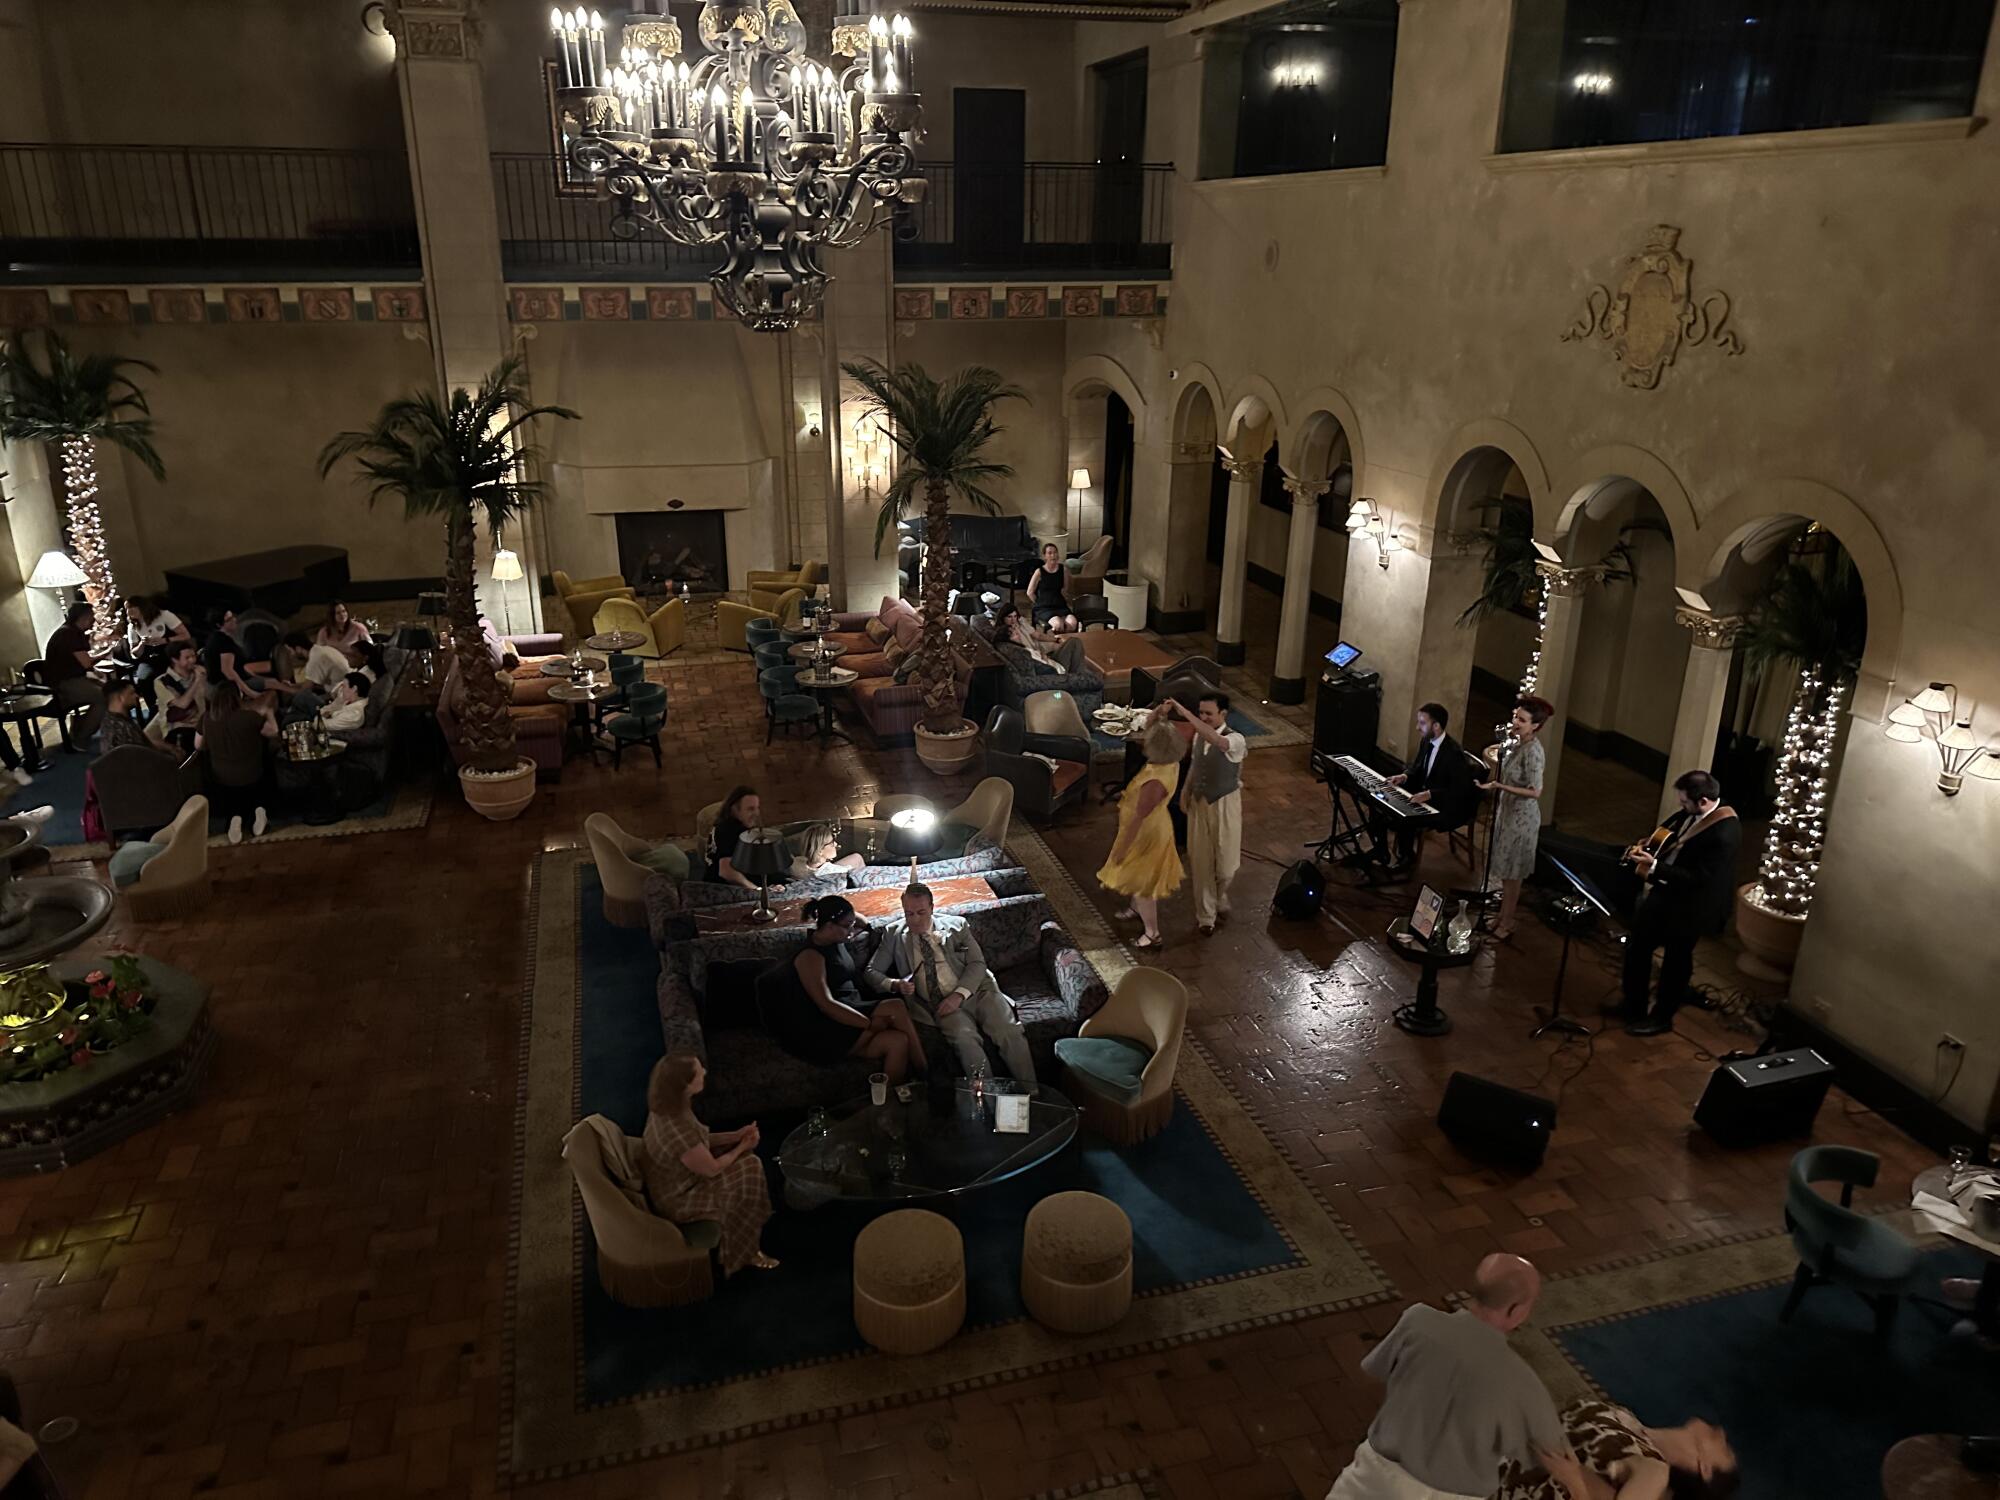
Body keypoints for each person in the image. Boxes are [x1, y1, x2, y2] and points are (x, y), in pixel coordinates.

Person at [1328, 1254, 1572, 1500]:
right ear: (1516, 1310)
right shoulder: (1522, 1381)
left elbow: (1378, 1368)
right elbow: (1557, 1458)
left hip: (1373, 1476)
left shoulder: (1417, 1320)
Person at [865, 882, 1036, 1083]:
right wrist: (894, 984)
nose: (915, 920)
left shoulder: (957, 926)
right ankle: (987, 1099)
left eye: (921, 912)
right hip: (941, 1004)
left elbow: (977, 963)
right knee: (965, 1040)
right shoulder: (893, 934)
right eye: (909, 914)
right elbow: (871, 972)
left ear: (932, 907)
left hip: (978, 991)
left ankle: (1031, 1093)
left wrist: (958, 995)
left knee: (1008, 1031)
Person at [1617, 770, 1740, 1037]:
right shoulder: (1692, 813)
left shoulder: (1724, 833)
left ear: (1704, 801)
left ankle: (1662, 1018)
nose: (1681, 807)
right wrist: (1647, 847)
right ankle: (1633, 1006)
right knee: (1637, 946)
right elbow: (1669, 834)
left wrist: (1656, 866)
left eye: (1685, 802)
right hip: (1668, 890)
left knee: (1676, 961)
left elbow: (1699, 878)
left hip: (1693, 905)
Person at [639, 1052, 778, 1275]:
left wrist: (736, 1136)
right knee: (750, 1167)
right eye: (698, 1071)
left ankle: (748, 1227)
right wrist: (743, 1146)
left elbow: (698, 1143)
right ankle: (744, 1252)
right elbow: (711, 1169)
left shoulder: (668, 1107)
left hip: (675, 1177)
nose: (704, 1071)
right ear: (685, 1085)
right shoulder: (678, 1129)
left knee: (743, 1159)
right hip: (679, 1197)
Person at [762, 895, 928, 1081]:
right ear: (830, 926)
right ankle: (927, 1075)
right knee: (896, 1006)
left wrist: (844, 913)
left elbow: (862, 922)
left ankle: (888, 1102)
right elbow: (826, 1004)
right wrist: (868, 1024)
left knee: (898, 1041)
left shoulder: (835, 939)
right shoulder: (810, 956)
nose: (852, 930)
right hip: (828, 1025)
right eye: (848, 925)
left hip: (850, 1007)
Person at [1497, 1400, 1738, 1500]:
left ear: (1704, 1468)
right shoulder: (1632, 1425)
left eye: (1725, 1450)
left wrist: (1573, 1478)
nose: (1723, 1434)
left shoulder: (1654, 1468)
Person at [1161, 693, 1246, 937]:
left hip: (1224, 803)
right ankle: (1205, 916)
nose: (1204, 717)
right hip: (1200, 803)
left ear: (1223, 715)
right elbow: (1196, 766)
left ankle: (1220, 896)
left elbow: (1218, 742)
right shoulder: (1199, 736)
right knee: (1200, 862)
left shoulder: (1236, 739)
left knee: (1226, 866)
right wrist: (1186, 792)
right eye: (1201, 713)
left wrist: (1185, 714)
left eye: (1209, 713)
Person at [1099, 716, 1186, 950]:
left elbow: (1139, 817)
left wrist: (1121, 848)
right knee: (1138, 876)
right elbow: (1150, 726)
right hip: (1156, 825)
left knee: (1143, 883)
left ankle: (1152, 933)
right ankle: (1136, 908)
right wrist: (1161, 711)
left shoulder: (1154, 781)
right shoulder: (1170, 763)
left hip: (1146, 833)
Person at [1477, 697, 1552, 942]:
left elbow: (1535, 791)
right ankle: (1501, 915)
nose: (1516, 722)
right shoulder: (1518, 744)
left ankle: (1508, 921)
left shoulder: (1533, 752)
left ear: (1535, 726)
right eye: (1516, 717)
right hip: (1507, 813)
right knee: (1507, 873)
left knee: (1514, 874)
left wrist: (1500, 786)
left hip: (1522, 819)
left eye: (1522, 720)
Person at [1381, 702, 1479, 870]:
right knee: (1383, 803)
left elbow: (1459, 790)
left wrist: (1430, 794)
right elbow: (1417, 767)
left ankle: (1407, 859)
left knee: (1407, 814)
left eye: (1422, 723)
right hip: (1427, 792)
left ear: (1437, 726)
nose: (1418, 727)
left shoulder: (1454, 754)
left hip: (1446, 804)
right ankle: (1380, 850)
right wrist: (1404, 776)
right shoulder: (1426, 741)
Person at [706, 787, 863, 888]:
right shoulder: (729, 831)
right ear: (735, 809)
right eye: (750, 809)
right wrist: (759, 891)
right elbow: (726, 872)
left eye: (757, 808)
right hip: (733, 887)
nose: (756, 813)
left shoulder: (726, 824)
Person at [195, 678, 276, 843]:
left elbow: (198, 746)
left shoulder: (207, 718)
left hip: (222, 776)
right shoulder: (249, 717)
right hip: (252, 772)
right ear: (237, 697)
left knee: (232, 796)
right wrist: (269, 713)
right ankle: (259, 812)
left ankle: (235, 819)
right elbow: (273, 732)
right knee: (265, 763)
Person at [43, 602, 106, 744]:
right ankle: (80, 737)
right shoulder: (69, 634)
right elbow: (87, 662)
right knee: (104, 697)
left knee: (109, 689)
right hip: (64, 684)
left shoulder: (72, 632)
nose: (94, 620)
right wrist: (106, 654)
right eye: (92, 616)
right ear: (84, 617)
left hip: (73, 678)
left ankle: (80, 724)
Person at [97, 677, 175, 755]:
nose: (136, 696)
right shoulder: (122, 727)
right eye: (132, 693)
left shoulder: (110, 719)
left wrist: (170, 748)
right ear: (121, 697)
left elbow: (143, 743)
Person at [153, 643, 205, 751]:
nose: (193, 660)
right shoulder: (162, 682)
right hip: (180, 728)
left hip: (203, 723)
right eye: (187, 658)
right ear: (175, 660)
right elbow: (182, 704)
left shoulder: (199, 673)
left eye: (193, 656)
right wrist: (197, 681)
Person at [1026, 542, 1079, 633]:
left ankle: (1068, 644)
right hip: (1044, 607)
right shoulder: (1039, 571)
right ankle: (1058, 644)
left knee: (1072, 623)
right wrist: (1039, 602)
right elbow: (1030, 592)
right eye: (1050, 553)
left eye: (1055, 552)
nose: (1053, 555)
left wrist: (1065, 600)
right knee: (1058, 625)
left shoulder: (1064, 570)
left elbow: (1066, 589)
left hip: (1060, 605)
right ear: (1044, 556)